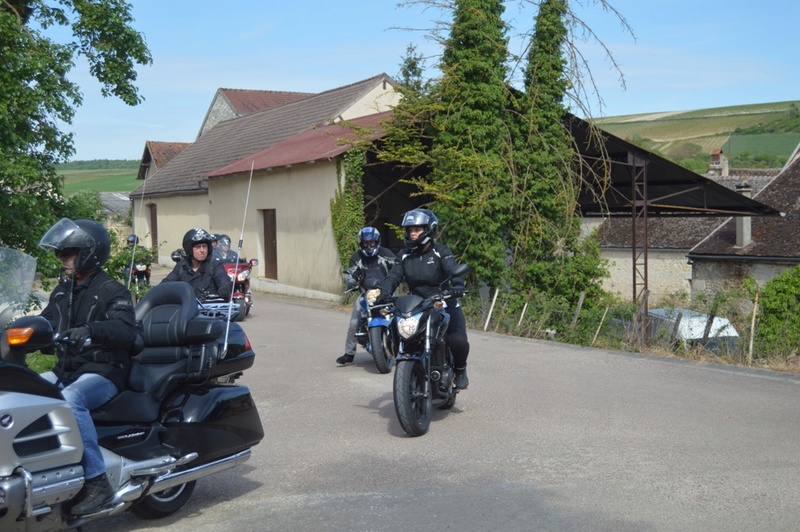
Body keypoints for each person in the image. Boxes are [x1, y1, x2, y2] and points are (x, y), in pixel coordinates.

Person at [37, 218, 139, 515]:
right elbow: (45, 324)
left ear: (89, 254)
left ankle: (97, 482)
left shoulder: (113, 290)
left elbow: (126, 331)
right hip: (67, 370)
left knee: (70, 400)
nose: (62, 259)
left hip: (104, 371)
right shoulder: (61, 291)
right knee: (19, 392)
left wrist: (92, 330)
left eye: (67, 254)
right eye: (61, 254)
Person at [374, 209, 470, 388]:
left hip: (444, 301)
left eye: (417, 229)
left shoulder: (441, 251)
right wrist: (382, 294)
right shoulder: (404, 255)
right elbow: (393, 277)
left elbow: (452, 269)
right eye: (410, 230)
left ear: (429, 229)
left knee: (458, 340)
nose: (412, 233)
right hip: (418, 305)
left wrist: (457, 285)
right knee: (400, 332)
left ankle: (460, 369)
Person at [337, 227, 396, 365]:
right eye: (365, 243)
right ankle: (349, 353)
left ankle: (405, 350)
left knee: (401, 319)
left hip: (387, 292)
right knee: (354, 322)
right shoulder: (357, 257)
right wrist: (351, 281)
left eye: (372, 243)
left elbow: (397, 268)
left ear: (377, 242)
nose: (369, 246)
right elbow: (350, 273)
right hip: (366, 293)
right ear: (361, 243)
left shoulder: (386, 254)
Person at [162, 228, 232, 300]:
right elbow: (166, 283)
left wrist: (224, 289)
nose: (202, 250)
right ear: (189, 249)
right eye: (198, 247)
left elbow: (223, 279)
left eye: (204, 246)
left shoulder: (214, 265)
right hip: (186, 308)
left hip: (208, 308)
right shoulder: (182, 266)